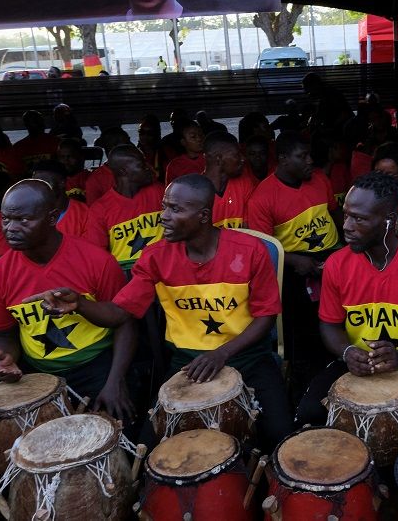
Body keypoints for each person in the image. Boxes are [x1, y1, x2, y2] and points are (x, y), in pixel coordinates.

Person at [32, 174, 292, 451]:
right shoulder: (155, 256)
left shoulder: (250, 251)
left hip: (248, 358)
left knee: (280, 435)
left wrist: (222, 353)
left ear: (203, 216)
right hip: (186, 363)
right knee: (148, 447)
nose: (163, 216)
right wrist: (80, 304)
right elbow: (120, 313)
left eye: (176, 209)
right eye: (165, 206)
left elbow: (265, 317)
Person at [294, 172, 398, 431]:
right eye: (347, 214)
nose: (347, 225)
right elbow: (329, 324)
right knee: (308, 415)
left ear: (389, 220)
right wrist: (348, 352)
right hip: (355, 365)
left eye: (359, 218)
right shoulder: (337, 265)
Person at [0, 180, 135, 422]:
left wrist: (115, 381)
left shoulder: (97, 260)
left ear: (52, 217)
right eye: (5, 219)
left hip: (97, 366)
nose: (10, 228)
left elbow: (125, 322)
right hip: (38, 375)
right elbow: (1, 333)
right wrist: (4, 358)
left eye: (23, 220)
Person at [246, 131, 340, 388]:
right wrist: (295, 261)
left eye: (309, 154)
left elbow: (335, 215)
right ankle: (308, 381)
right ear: (284, 159)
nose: (310, 160)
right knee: (304, 328)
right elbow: (262, 248)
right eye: (303, 156)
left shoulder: (320, 179)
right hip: (293, 268)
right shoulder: (262, 197)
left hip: (331, 258)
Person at [87, 145, 165, 270]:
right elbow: (98, 256)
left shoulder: (159, 192)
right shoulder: (100, 209)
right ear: (124, 171)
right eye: (141, 165)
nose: (148, 168)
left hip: (161, 268)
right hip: (125, 276)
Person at [202, 131, 258, 229]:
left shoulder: (244, 183)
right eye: (236, 155)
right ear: (218, 159)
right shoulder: (194, 192)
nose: (243, 159)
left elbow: (249, 232)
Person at [32, 160, 91, 240]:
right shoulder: (27, 212)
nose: (39, 187)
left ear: (61, 183)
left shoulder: (84, 213)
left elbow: (88, 249)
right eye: (35, 182)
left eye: (45, 182)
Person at [85, 127, 132, 205]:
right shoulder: (95, 180)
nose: (124, 150)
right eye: (117, 146)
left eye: (127, 144)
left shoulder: (140, 169)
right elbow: (94, 211)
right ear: (107, 149)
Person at [164, 120, 205, 184]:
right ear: (183, 142)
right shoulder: (174, 165)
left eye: (200, 135)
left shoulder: (211, 159)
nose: (199, 139)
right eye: (193, 137)